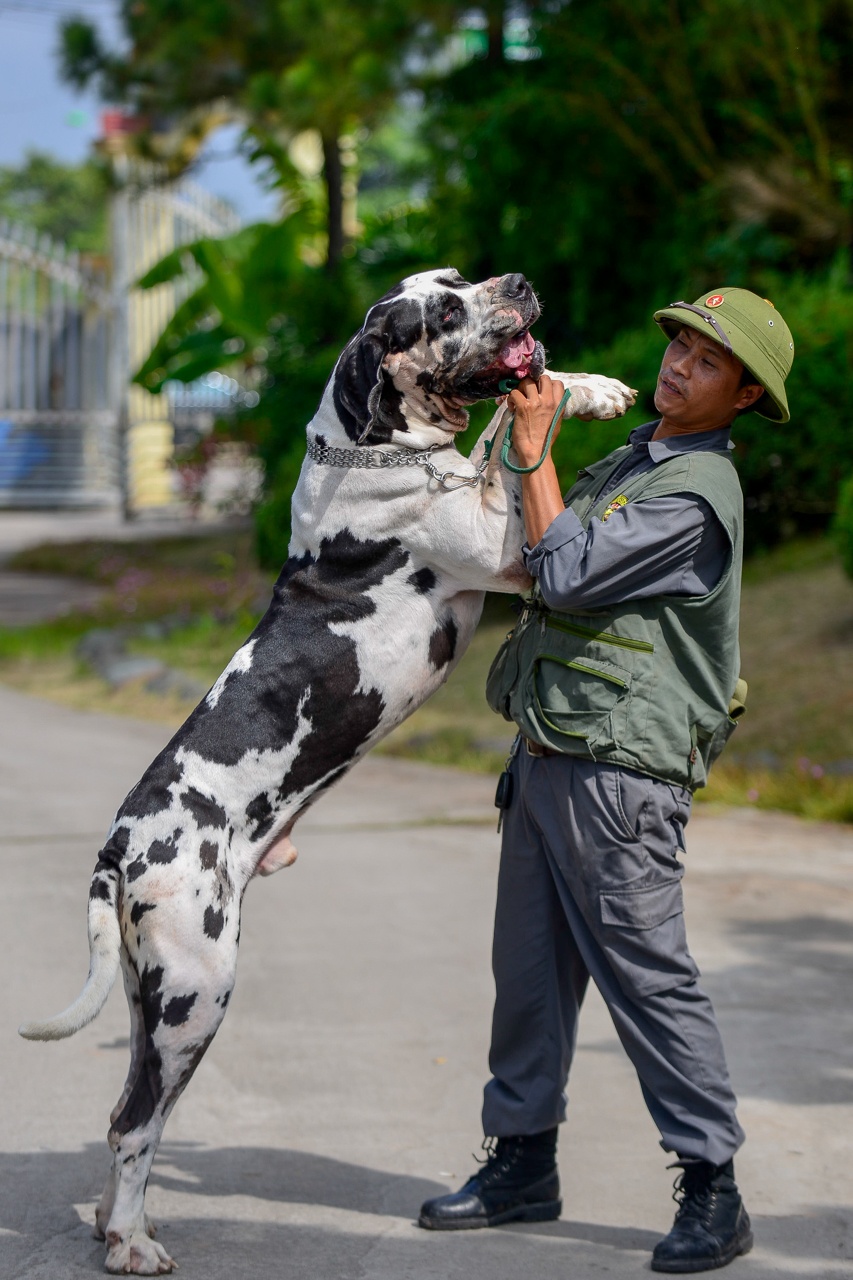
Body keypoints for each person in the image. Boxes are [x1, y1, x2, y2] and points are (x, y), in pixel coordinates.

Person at [418, 289, 795, 1274]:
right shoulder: (635, 458)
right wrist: (515, 434)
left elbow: (571, 575)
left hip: (620, 775)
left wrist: (539, 451)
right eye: (677, 343)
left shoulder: (696, 495)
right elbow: (529, 545)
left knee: (647, 979)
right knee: (528, 976)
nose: (677, 365)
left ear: (745, 395)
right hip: (551, 748)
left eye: (707, 362)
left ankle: (712, 1185)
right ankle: (521, 1162)